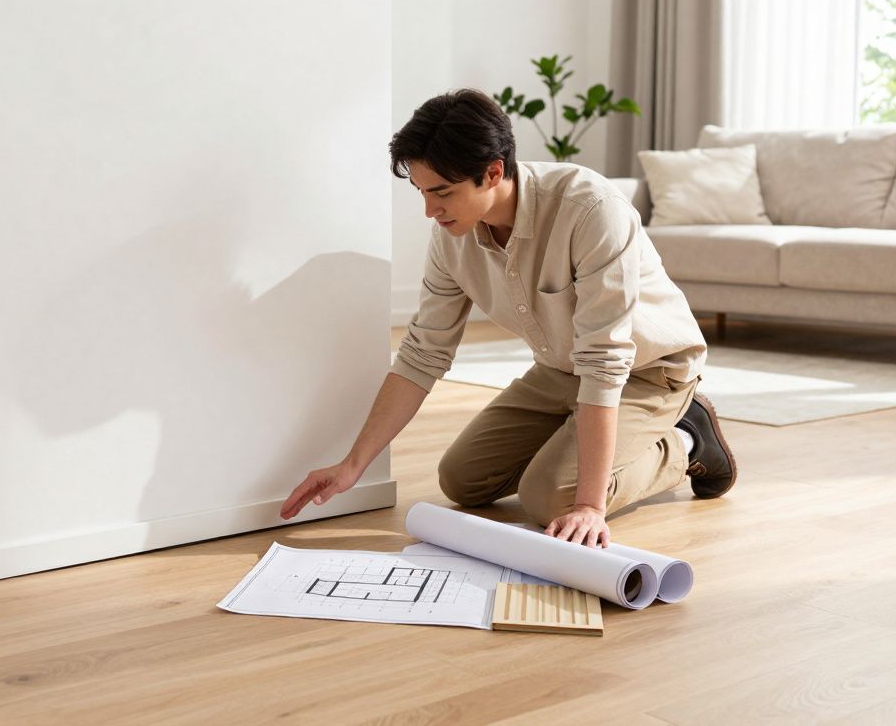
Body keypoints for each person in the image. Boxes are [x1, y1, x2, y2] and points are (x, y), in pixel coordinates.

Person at [279, 89, 737, 548]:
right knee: (462, 480)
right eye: (422, 192)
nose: (429, 210)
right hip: (560, 370)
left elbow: (604, 360)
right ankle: (584, 445)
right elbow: (422, 353)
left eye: (442, 193)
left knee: (553, 499)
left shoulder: (592, 211)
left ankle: (686, 440)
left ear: (493, 171)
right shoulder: (450, 238)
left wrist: (590, 507)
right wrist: (352, 465)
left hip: (647, 372)